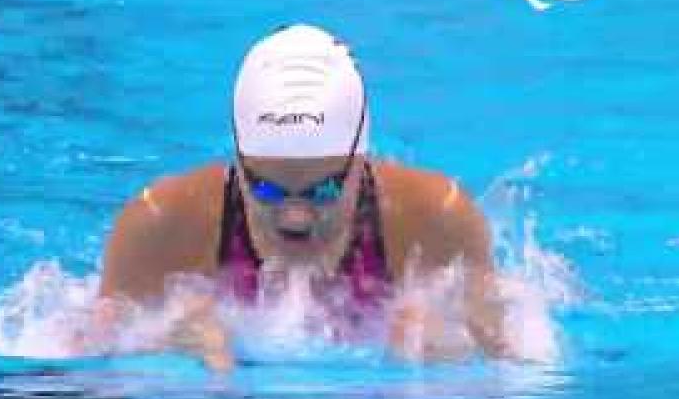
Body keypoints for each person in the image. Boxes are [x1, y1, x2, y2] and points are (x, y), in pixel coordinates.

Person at [88, 24, 515, 370]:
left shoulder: (435, 222)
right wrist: (158, 354)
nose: (295, 218)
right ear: (237, 161)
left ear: (361, 162)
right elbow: (80, 378)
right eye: (266, 189)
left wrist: (451, 372)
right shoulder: (160, 228)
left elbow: (516, 373)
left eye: (324, 190)